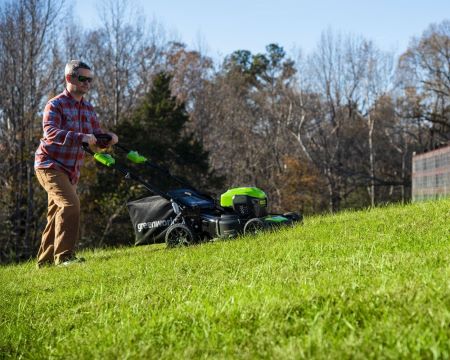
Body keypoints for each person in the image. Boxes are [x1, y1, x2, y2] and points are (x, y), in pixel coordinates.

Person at [34, 60, 118, 267]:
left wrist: (108, 138)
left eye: (90, 80)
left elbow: (95, 137)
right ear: (69, 78)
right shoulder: (55, 104)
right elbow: (50, 133)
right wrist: (80, 136)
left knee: (56, 213)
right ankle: (64, 257)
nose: (87, 83)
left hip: (71, 170)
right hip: (49, 165)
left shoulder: (88, 108)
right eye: (83, 79)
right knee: (70, 205)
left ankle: (44, 263)